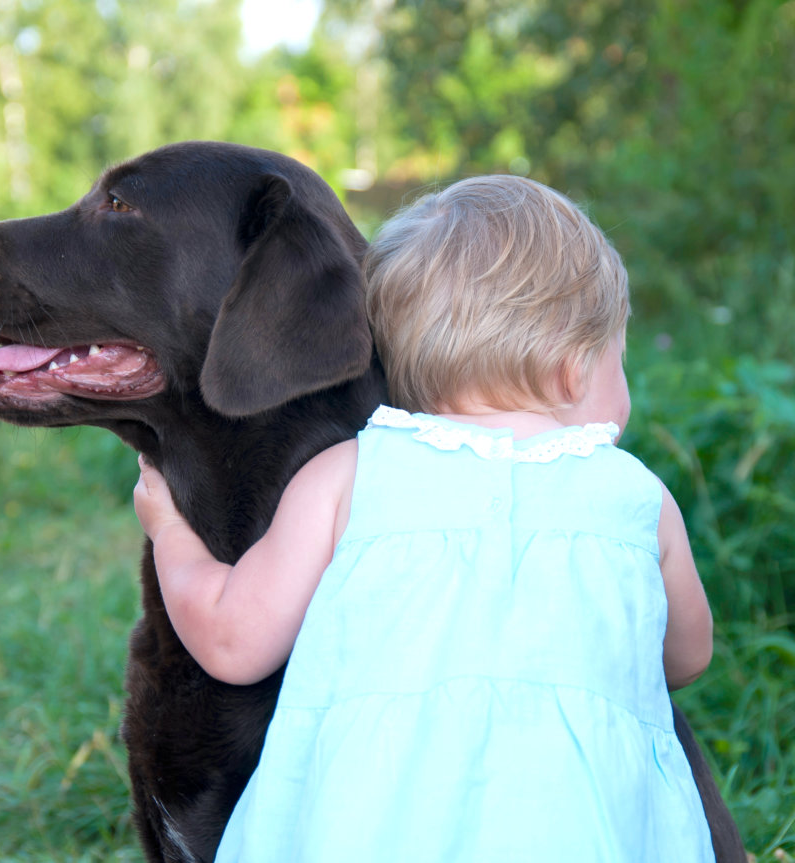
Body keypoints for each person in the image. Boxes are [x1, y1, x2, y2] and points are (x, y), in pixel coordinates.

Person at [134, 175, 715, 861]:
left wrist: (170, 530)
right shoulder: (635, 497)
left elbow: (233, 641)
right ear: (573, 368)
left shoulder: (349, 475)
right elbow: (686, 654)